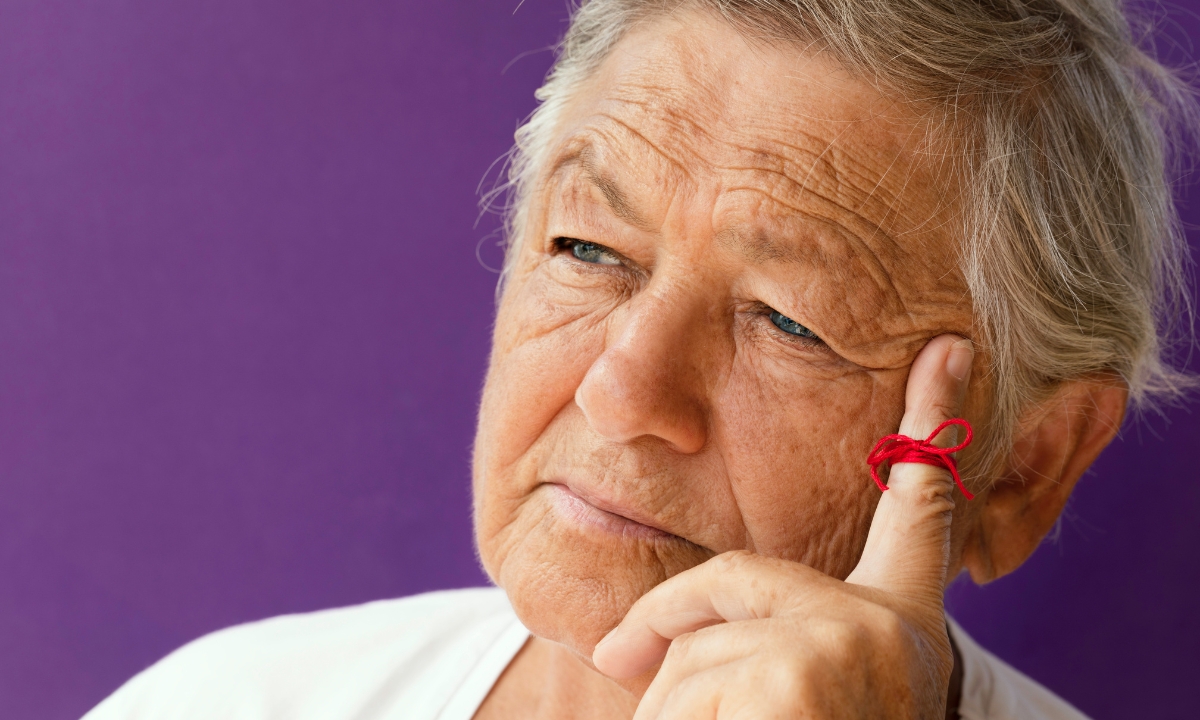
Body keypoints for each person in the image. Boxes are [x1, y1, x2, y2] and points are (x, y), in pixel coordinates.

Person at [84, 0, 1197, 718]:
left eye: (788, 321)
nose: (621, 390)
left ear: (1023, 468)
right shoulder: (227, 700)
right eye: (588, 248)